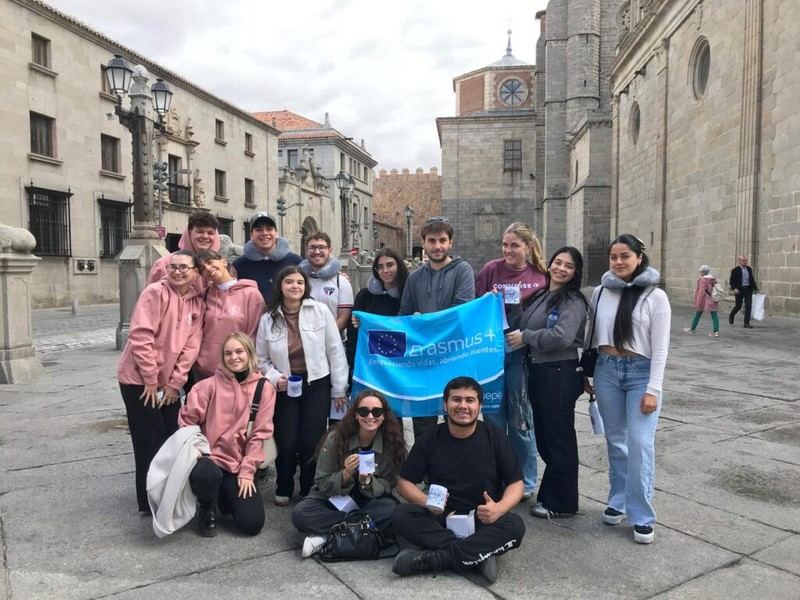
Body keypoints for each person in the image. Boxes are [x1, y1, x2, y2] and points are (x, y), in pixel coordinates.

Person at [392, 377, 526, 584]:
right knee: (402, 514)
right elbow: (404, 483)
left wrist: (499, 509)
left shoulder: (494, 436)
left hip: (483, 519)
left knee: (515, 526)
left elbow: (516, 483)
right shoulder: (430, 437)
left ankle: (436, 559)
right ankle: (477, 555)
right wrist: (426, 502)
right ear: (445, 405)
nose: (463, 406)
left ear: (479, 406)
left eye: (470, 400)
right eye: (456, 400)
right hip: (442, 518)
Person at [586, 234, 671, 544]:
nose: (619, 262)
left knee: (639, 443)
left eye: (625, 256)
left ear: (639, 258)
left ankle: (642, 514)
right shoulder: (599, 292)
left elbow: (661, 349)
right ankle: (618, 498)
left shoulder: (655, 297)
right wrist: (588, 371)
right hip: (607, 370)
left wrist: (654, 389)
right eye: (613, 257)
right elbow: (591, 335)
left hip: (640, 373)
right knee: (615, 441)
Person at [117, 250, 204, 513]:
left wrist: (175, 383)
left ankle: (169, 493)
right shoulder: (155, 292)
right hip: (139, 381)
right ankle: (148, 502)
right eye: (172, 267)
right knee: (148, 441)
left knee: (171, 438)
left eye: (184, 268)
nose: (177, 272)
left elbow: (191, 346)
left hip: (168, 385)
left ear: (195, 272)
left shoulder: (196, 303)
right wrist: (151, 380)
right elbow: (141, 336)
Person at [255, 266, 349, 505]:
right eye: (289, 282)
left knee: (311, 440)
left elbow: (335, 350)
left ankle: (309, 485)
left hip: (316, 383)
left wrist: (338, 388)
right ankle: (284, 484)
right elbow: (261, 359)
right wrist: (276, 378)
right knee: (286, 441)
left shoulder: (319, 311)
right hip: (285, 387)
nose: (295, 286)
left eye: (299, 282)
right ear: (280, 286)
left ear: (305, 287)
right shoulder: (268, 318)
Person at [507, 247, 588, 519]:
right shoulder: (544, 295)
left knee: (558, 438)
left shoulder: (572, 301)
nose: (561, 268)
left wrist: (527, 336)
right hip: (541, 372)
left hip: (559, 373)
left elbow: (562, 337)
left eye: (569, 266)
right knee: (545, 437)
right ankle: (552, 495)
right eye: (558, 262)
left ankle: (562, 502)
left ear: (576, 272)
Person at [475, 222, 547, 501]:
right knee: (493, 418)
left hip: (521, 356)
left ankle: (527, 480)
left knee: (520, 418)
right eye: (505, 245)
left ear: (528, 247)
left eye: (514, 245)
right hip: (491, 354)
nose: (508, 250)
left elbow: (548, 313)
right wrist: (484, 299)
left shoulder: (540, 275)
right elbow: (473, 306)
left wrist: (527, 337)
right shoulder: (491, 270)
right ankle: (498, 476)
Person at [178, 333, 276, 537]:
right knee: (206, 474)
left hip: (238, 461)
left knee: (252, 524)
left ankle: (224, 494)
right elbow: (187, 422)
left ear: (249, 353)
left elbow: (260, 433)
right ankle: (207, 506)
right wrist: (197, 451)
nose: (234, 357)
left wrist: (248, 470)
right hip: (209, 458)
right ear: (222, 358)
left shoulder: (264, 388)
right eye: (228, 353)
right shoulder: (205, 387)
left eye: (239, 351)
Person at [292, 390, 407, 557]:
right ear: (355, 415)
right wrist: (345, 475)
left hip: (369, 502)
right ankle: (360, 531)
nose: (370, 416)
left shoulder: (391, 443)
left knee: (393, 511)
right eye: (363, 411)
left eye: (376, 411)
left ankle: (327, 535)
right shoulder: (336, 438)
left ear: (384, 416)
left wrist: (366, 482)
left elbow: (388, 484)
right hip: (335, 500)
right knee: (301, 514)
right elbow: (321, 481)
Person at [399, 218, 475, 441]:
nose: (437, 246)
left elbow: (461, 311)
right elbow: (403, 315)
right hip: (425, 359)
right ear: (424, 243)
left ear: (450, 242)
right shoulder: (414, 278)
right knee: (423, 422)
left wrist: (426, 322)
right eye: (432, 241)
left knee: (458, 416)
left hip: (455, 355)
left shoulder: (463, 271)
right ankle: (425, 472)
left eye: (442, 240)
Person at [193, 250, 266, 380]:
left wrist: (247, 364)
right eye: (202, 268)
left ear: (223, 261)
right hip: (205, 371)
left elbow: (255, 333)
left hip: (238, 369)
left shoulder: (251, 294)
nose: (208, 268)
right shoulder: (203, 296)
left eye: (210, 262)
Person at [345, 247, 408, 380]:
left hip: (402, 366)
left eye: (390, 265)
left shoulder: (409, 296)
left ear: (399, 266)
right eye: (380, 267)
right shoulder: (364, 296)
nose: (385, 270)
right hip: (370, 366)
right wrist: (353, 362)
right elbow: (353, 335)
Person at [233, 212, 302, 302]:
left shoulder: (295, 262)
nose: (265, 233)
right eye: (258, 230)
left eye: (269, 229)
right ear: (251, 235)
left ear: (276, 233)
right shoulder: (239, 265)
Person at [148, 210, 220, 294]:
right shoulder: (163, 264)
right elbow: (150, 300)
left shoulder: (220, 266)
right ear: (189, 232)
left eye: (210, 233)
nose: (205, 236)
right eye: (200, 232)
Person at [298, 231, 354, 333]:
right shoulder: (298, 281)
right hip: (301, 342)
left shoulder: (341, 281)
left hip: (333, 342)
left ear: (329, 250)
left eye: (321, 247)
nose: (317, 251)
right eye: (312, 247)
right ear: (306, 251)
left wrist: (322, 338)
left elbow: (343, 318)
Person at [684, 265, 720, 337]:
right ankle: (716, 332)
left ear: (703, 272)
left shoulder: (702, 280)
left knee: (698, 313)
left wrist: (698, 302)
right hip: (712, 298)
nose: (700, 273)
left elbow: (701, 292)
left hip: (704, 300)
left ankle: (692, 330)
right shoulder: (713, 279)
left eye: (700, 271)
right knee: (714, 315)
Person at [728, 255, 758, 329]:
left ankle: (746, 323)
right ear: (740, 261)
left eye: (746, 261)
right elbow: (731, 281)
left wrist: (755, 288)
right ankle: (731, 315)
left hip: (748, 289)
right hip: (739, 290)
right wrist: (734, 288)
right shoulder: (735, 270)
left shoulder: (749, 269)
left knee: (748, 305)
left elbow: (751, 279)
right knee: (738, 305)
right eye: (743, 261)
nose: (745, 262)